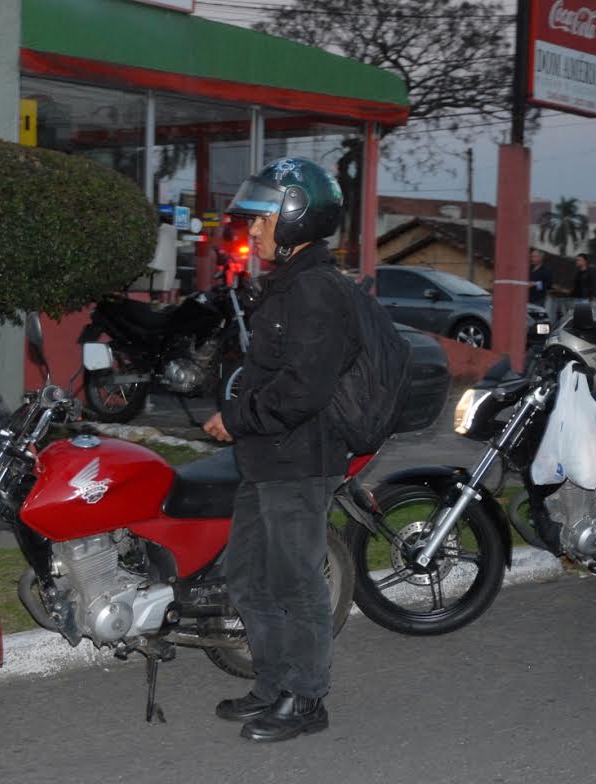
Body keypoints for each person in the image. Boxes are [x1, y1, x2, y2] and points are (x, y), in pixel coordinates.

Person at [202, 158, 357, 743]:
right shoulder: (288, 284)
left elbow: (304, 390)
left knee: (296, 582)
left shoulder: (316, 291)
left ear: (296, 217)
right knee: (246, 577)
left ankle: (307, 697)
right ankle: (271, 685)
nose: (253, 230)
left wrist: (235, 418)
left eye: (262, 219)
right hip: (266, 458)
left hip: (299, 460)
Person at [528, 247, 553, 317]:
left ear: (541, 258)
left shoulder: (545, 271)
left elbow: (548, 285)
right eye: (531, 256)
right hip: (527, 298)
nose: (532, 258)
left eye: (534, 256)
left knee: (535, 317)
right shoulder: (529, 269)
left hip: (538, 300)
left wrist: (536, 284)